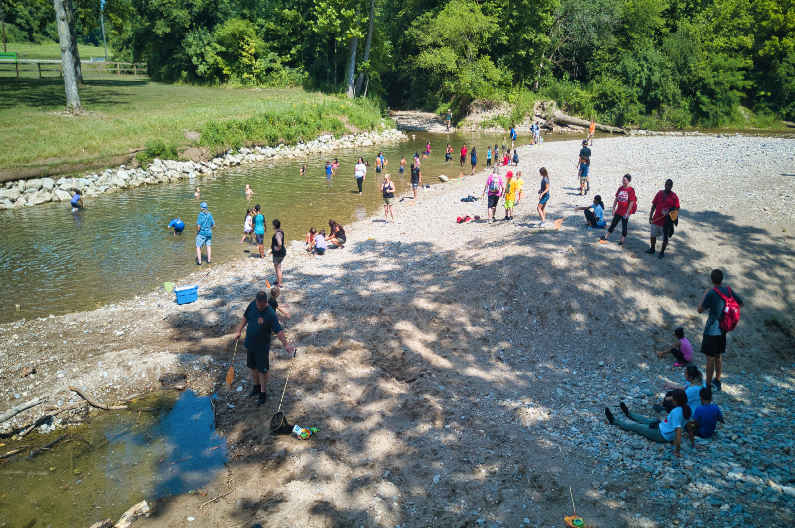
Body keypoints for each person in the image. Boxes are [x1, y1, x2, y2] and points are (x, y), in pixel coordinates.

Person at [234, 291, 295, 405]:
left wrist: (286, 344)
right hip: (250, 343)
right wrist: (239, 330)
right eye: (258, 305)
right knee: (252, 366)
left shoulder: (270, 313)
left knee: (262, 369)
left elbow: (278, 330)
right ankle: (256, 386)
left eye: (261, 305)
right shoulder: (253, 304)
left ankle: (263, 392)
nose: (259, 307)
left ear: (266, 302)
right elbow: (245, 317)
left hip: (262, 346)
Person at [605, 389, 691, 458]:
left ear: (675, 400)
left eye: (672, 397)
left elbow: (678, 432)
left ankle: (613, 421)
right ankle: (629, 414)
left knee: (636, 426)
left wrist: (677, 451)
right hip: (663, 427)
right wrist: (693, 443)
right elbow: (690, 425)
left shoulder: (676, 412)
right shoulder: (686, 408)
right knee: (646, 420)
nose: (671, 398)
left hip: (662, 435)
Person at [697, 269, 744, 391]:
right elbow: (741, 303)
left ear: (712, 279)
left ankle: (707, 385)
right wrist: (726, 312)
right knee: (718, 355)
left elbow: (700, 309)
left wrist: (705, 294)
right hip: (723, 329)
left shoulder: (712, 293)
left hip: (711, 329)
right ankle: (717, 381)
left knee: (710, 357)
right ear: (721, 279)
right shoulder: (728, 290)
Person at [646, 179, 680, 259]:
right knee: (652, 235)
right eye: (666, 184)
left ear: (672, 186)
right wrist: (650, 216)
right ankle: (652, 249)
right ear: (664, 185)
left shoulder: (674, 196)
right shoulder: (659, 193)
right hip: (656, 219)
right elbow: (654, 205)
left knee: (665, 237)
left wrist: (671, 212)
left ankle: (662, 252)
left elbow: (677, 208)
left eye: (669, 185)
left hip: (666, 222)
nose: (668, 186)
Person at [600, 174, 636, 246]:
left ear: (629, 181)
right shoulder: (620, 188)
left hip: (625, 212)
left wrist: (627, 213)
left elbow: (631, 202)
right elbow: (616, 199)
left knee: (624, 226)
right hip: (618, 210)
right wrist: (613, 209)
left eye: (624, 180)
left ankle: (622, 241)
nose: (623, 181)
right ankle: (606, 236)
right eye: (622, 180)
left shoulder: (631, 190)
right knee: (613, 223)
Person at [271, 219, 286, 287]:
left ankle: (279, 284)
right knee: (276, 266)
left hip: (279, 253)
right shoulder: (280, 231)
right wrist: (273, 250)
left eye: (272, 225)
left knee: (278, 268)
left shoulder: (277, 233)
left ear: (274, 226)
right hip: (279, 252)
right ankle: (277, 280)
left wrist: (277, 249)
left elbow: (279, 243)